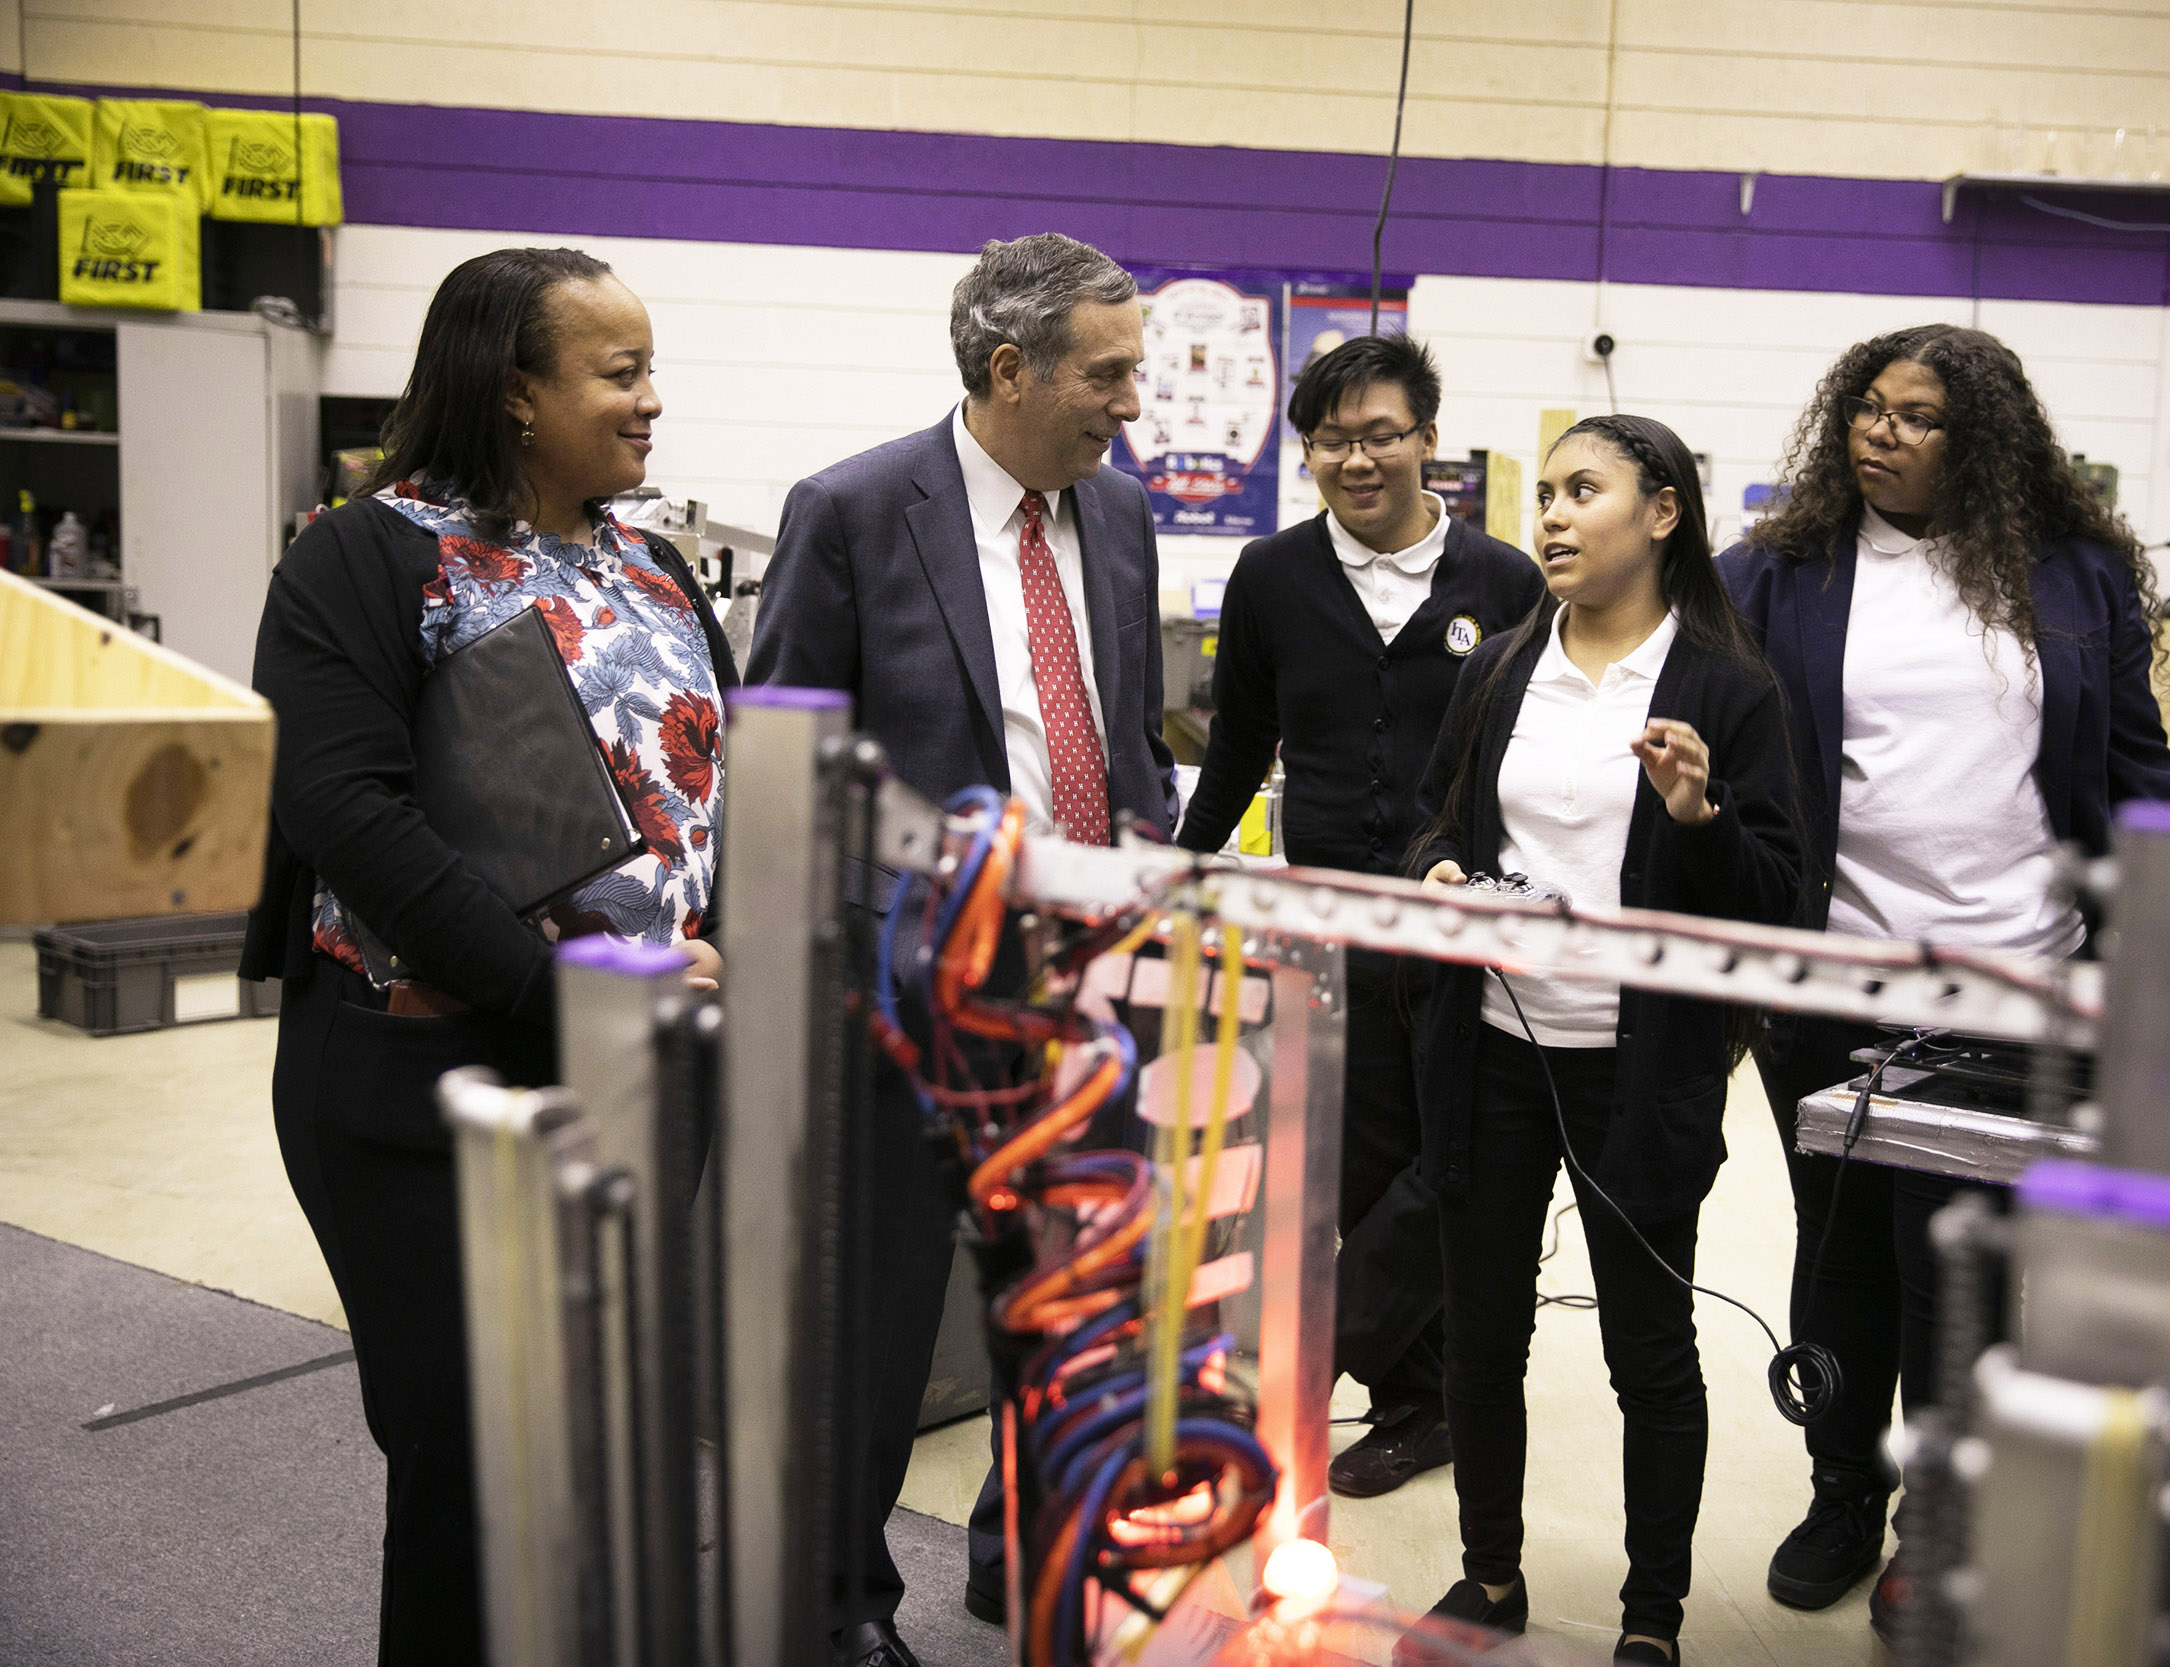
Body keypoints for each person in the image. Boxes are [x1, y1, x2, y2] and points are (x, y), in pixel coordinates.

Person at [241, 247, 736, 1664]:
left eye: (649, 369)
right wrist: (557, 984)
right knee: (476, 1471)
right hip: (439, 1084)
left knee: (595, 1452)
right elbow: (344, 811)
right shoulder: (368, 551)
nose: (652, 402)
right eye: (619, 372)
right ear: (516, 391)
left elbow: (718, 784)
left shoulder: (648, 561)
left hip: (648, 1080)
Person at [746, 231, 1175, 1667]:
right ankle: (841, 1603)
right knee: (868, 1326)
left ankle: (1027, 1546)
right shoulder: (856, 511)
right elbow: (782, 770)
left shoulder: (1116, 519)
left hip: (1087, 987)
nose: (1132, 404)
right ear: (1012, 368)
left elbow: (1124, 735)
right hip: (904, 996)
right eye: (1107, 375)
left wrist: (1149, 878)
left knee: (1064, 1296)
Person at [1719, 323, 2170, 1635]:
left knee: (1958, 1262)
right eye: (1867, 408)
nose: (1881, 432)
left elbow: (2136, 773)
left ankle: (1940, 1515)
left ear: (1981, 440)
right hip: (1834, 974)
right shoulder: (1778, 571)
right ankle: (1840, 1491)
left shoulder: (2076, 577)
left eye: (1918, 416)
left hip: (2014, 983)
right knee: (1838, 1245)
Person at [1397, 415, 1805, 1667]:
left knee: (1646, 1346)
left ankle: (1651, 1615)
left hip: (1641, 1069)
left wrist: (1698, 814)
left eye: (1588, 492)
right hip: (1492, 1047)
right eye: (1551, 496)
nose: (1555, 517)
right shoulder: (1505, 665)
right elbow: (1431, 818)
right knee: (1482, 1331)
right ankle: (1489, 1573)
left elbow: (1779, 893)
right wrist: (1444, 869)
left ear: (1663, 513)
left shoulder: (1726, 689)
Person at [1176, 332, 1543, 1497]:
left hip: (1458, 922)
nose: (1357, 458)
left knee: (1454, 1158)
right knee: (1363, 1157)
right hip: (1329, 926)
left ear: (1430, 439)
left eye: (1380, 433)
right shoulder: (1273, 577)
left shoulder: (1505, 583)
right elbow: (1236, 743)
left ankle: (1336, 1360)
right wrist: (1182, 874)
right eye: (1331, 440)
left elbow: (1532, 755)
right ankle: (1414, 1399)